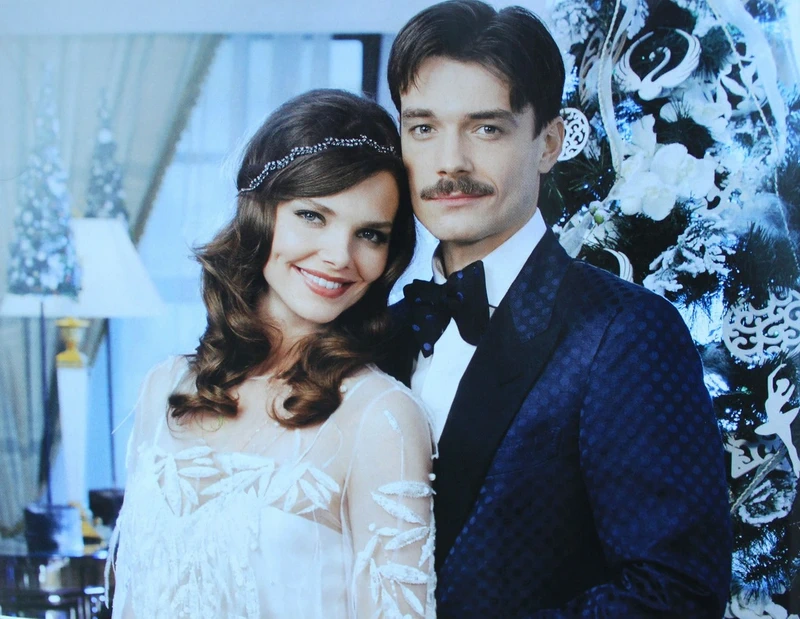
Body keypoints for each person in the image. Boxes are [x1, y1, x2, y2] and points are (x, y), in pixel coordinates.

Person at [383, 1, 733, 616]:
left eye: (486, 129)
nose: (450, 162)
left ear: (548, 142)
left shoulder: (627, 332)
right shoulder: (379, 331)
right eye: (424, 129)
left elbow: (676, 591)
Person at [107, 89, 436, 619]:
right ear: (259, 213)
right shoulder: (166, 388)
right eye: (313, 216)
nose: (339, 256)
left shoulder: (380, 417)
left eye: (370, 234)